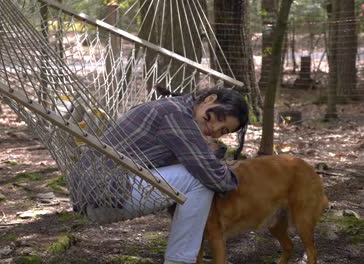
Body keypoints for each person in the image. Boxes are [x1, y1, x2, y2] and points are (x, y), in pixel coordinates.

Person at [74, 83, 249, 264]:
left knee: (197, 173)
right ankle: (180, 261)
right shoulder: (177, 115)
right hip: (106, 193)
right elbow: (212, 175)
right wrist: (242, 179)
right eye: (215, 118)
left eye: (223, 131)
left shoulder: (174, 107)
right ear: (209, 99)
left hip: (98, 190)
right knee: (199, 179)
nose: (214, 129)